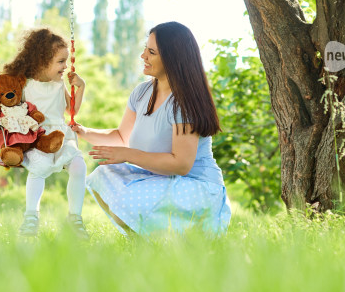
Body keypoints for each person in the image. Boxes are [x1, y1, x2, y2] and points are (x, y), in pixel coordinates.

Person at [72, 21, 231, 236]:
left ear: (173, 58)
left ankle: (162, 240)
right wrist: (82, 131)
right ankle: (142, 240)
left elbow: (181, 164)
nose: (143, 56)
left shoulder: (183, 103)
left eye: (151, 52)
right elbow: (121, 136)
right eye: (145, 49)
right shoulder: (142, 92)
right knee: (103, 175)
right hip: (162, 179)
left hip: (195, 187)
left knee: (130, 194)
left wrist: (128, 154)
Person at [0, 28, 88, 238]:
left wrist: (82, 87)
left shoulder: (59, 84)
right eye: (61, 61)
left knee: (79, 165)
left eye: (66, 61)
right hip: (35, 137)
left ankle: (75, 218)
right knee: (38, 169)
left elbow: (72, 110)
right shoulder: (25, 85)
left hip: (61, 136)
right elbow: (6, 107)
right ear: (42, 61)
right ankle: (31, 216)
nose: (65, 66)